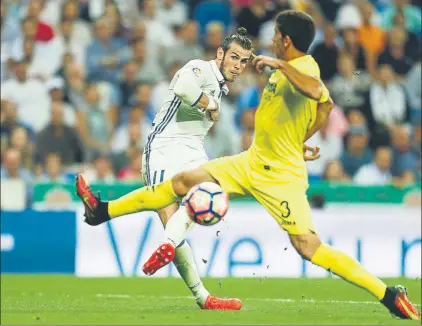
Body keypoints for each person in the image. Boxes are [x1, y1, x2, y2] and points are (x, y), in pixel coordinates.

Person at [75, 11, 421, 321]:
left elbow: (320, 94)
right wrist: (300, 137)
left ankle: (388, 295)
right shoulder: (240, 71)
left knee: (308, 248)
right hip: (251, 161)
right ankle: (102, 210)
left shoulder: (303, 68)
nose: (269, 41)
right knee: (182, 183)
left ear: (286, 41)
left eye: (274, 35)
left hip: (280, 177)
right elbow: (323, 110)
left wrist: (283, 69)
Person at [78, 27, 255, 311]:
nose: (238, 64)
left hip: (193, 151)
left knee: (205, 194)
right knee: (170, 211)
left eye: (244, 60)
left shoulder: (222, 87)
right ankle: (200, 293)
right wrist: (210, 104)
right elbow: (183, 90)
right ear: (220, 53)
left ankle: (158, 240)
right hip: (164, 147)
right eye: (234, 56)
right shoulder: (199, 68)